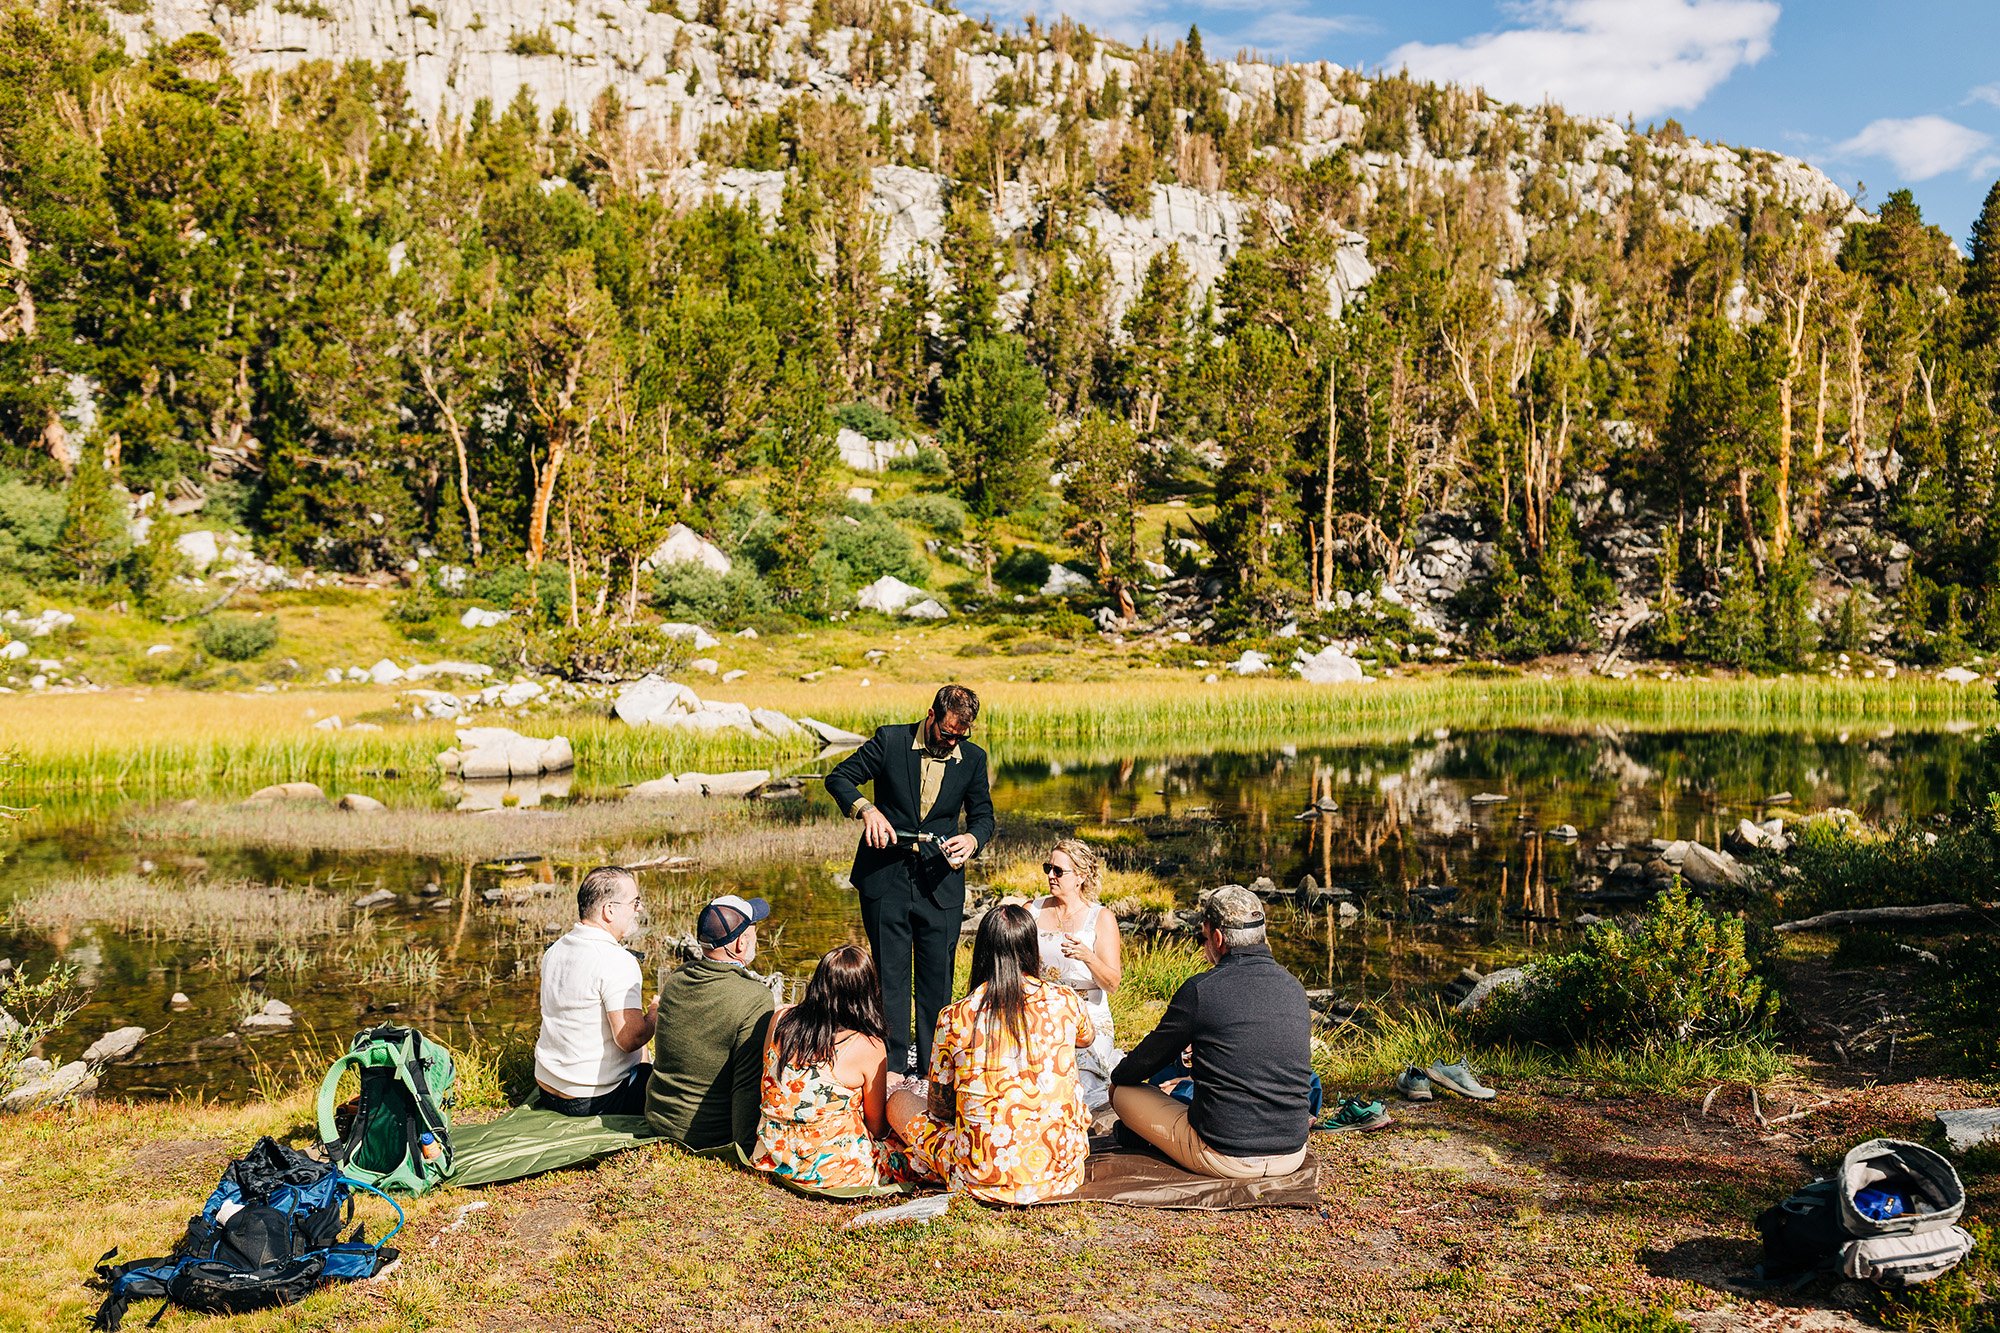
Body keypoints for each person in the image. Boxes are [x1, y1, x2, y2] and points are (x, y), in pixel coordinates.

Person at [825, 683, 996, 1075]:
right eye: (946, 733)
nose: (952, 742)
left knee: (938, 980)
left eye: (960, 736)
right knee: (891, 980)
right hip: (886, 880)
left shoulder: (972, 758)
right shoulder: (890, 740)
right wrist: (866, 810)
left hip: (942, 882)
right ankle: (893, 1073)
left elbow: (984, 816)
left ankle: (934, 1072)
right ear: (931, 716)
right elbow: (839, 778)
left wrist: (972, 839)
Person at [887, 905, 1093, 1204]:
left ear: (982, 951)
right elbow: (1086, 1038)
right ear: (1031, 948)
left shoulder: (955, 1016)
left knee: (899, 1101)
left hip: (979, 1175)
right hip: (1061, 1172)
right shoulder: (1065, 1001)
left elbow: (939, 1107)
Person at [1109, 885, 1313, 1179]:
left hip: (1226, 1155)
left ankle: (1151, 1140)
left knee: (1121, 1091)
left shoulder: (1202, 989)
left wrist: (1122, 1075)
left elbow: (1139, 1066)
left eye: (1203, 938)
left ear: (1217, 938)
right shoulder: (1293, 987)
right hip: (1292, 1152)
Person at [750, 945, 932, 1191]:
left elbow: (771, 1084)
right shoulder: (867, 1045)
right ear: (866, 992)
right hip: (832, 1169)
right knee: (916, 1157)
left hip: (773, 1154)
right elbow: (876, 1127)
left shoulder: (781, 1019)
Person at [643, 893, 776, 1153]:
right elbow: (746, 1086)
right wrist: (745, 1148)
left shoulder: (676, 979)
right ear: (740, 944)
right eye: (753, 932)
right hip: (710, 1134)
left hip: (660, 1119)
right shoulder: (756, 998)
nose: (756, 939)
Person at [533, 866, 656, 1117]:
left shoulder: (555, 949)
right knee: (646, 1048)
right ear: (609, 910)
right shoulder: (617, 960)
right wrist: (656, 1011)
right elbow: (629, 1039)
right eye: (635, 902)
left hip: (547, 1087)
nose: (639, 908)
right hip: (594, 1100)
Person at [1026, 837, 1123, 1111]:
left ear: (1080, 876)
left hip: (1087, 1012)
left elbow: (1112, 983)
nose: (1050, 876)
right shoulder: (1031, 911)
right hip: (1039, 1008)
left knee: (1079, 1077)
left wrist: (1087, 956)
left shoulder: (1100, 918)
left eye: (1059, 871)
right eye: (1048, 868)